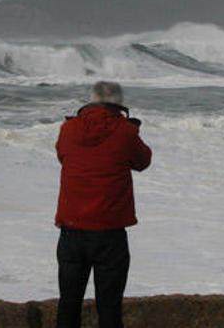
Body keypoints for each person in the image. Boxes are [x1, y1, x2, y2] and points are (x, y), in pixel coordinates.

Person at [54, 81, 152, 328]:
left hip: (72, 229)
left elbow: (62, 155)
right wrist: (132, 131)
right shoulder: (125, 132)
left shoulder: (68, 129)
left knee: (69, 303)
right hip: (109, 232)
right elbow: (143, 161)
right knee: (109, 306)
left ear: (91, 100)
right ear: (118, 105)